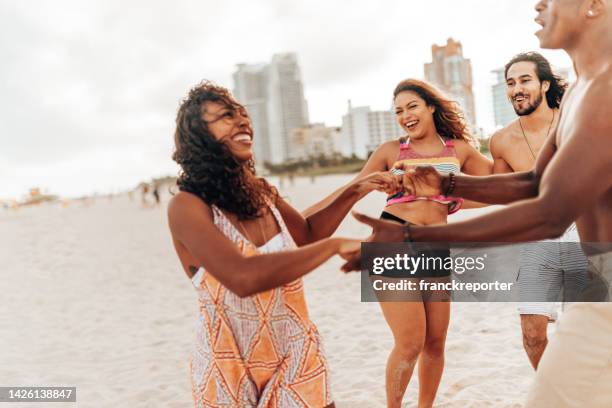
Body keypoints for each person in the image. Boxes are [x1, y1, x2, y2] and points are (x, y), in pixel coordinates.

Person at [344, 1, 612, 406]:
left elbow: (549, 213)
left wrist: (415, 235)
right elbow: (532, 182)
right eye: (510, 81)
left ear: (594, 5)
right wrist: (446, 181)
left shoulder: (605, 91)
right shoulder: (578, 93)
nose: (538, 5)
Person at [167, 81, 400, 407]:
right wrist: (333, 247)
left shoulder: (261, 192)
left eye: (242, 114)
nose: (241, 121)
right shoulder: (187, 206)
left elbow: (304, 236)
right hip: (228, 365)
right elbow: (242, 278)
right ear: (198, 137)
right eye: (225, 116)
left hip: (295, 349)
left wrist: (356, 189)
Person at [307, 79, 492, 408]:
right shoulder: (391, 151)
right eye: (399, 111)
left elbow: (494, 188)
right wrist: (299, 219)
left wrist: (453, 200)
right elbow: (350, 191)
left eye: (412, 106)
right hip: (392, 240)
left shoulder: (459, 150)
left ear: (431, 107)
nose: (405, 115)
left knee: (436, 341)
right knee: (410, 342)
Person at [491, 51, 587, 369]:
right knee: (532, 334)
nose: (516, 88)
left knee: (585, 331)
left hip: (585, 232)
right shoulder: (502, 141)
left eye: (524, 80)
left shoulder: (576, 118)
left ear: (544, 84)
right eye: (510, 82)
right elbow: (503, 192)